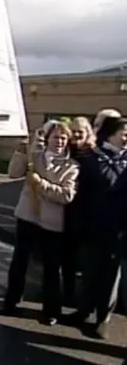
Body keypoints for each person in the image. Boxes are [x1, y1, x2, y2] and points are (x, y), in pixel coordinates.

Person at [2, 120, 79, 326]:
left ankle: (51, 309)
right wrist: (20, 153)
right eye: (56, 137)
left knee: (51, 268)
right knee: (19, 262)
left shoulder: (71, 167)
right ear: (48, 139)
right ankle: (11, 299)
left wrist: (40, 184)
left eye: (63, 138)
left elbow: (66, 195)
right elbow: (13, 173)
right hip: (28, 217)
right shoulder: (33, 157)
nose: (60, 142)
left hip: (51, 224)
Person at [66, 116, 127, 339]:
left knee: (111, 277)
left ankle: (104, 318)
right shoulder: (92, 159)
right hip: (93, 228)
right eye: (124, 132)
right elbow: (81, 197)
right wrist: (80, 225)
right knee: (90, 272)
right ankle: (84, 310)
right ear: (111, 133)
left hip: (119, 231)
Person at [62, 116, 95, 305]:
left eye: (80, 132)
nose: (76, 136)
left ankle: (85, 296)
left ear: (88, 133)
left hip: (87, 211)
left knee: (86, 258)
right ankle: (67, 292)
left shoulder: (94, 154)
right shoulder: (68, 152)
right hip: (67, 210)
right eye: (73, 132)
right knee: (67, 256)